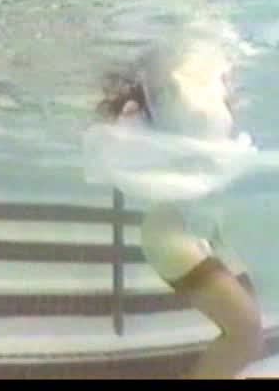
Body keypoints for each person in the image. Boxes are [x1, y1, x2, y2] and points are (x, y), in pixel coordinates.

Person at [88, 38, 263, 379]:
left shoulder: (214, 74)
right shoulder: (162, 79)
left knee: (247, 333)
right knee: (245, 333)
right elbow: (117, 142)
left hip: (205, 224)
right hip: (172, 230)